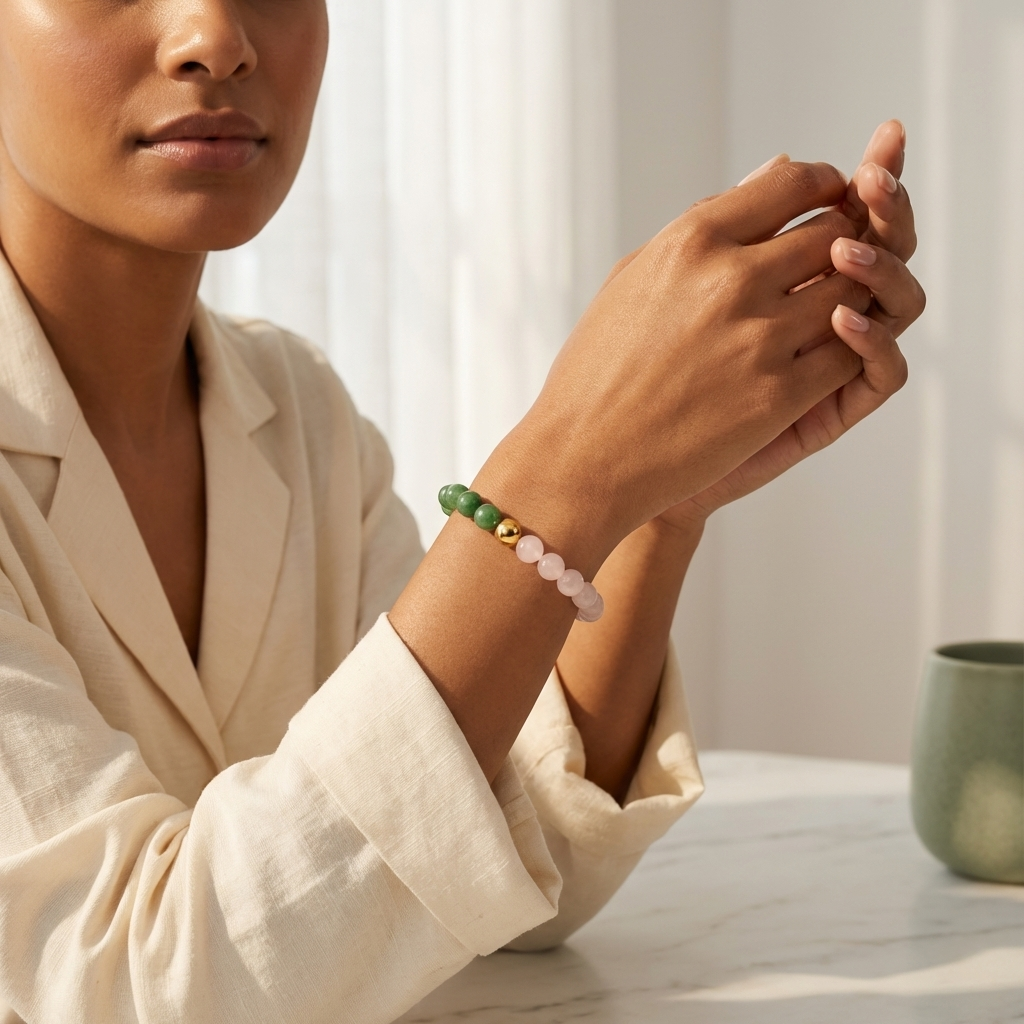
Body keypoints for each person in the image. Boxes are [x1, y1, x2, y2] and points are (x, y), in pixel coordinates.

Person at [0, 0, 925, 1021]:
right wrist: (571, 464)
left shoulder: (297, 409)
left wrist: (654, 507)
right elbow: (140, 989)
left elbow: (480, 866)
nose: (217, 37)